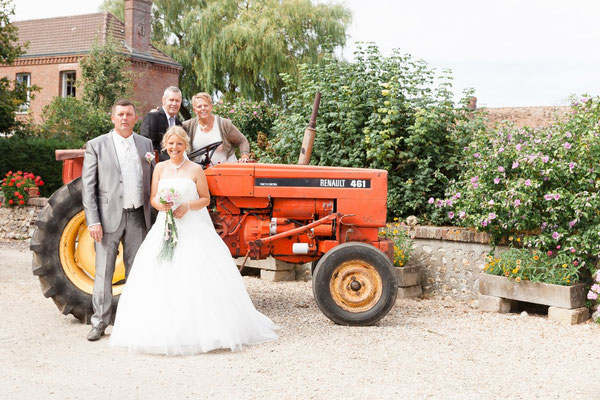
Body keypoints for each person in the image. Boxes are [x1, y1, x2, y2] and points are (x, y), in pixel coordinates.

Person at [109, 126, 277, 355]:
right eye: (171, 144)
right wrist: (164, 206)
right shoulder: (159, 168)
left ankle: (205, 331)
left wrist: (187, 205)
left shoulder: (196, 169)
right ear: (165, 146)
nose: (175, 148)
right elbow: (153, 199)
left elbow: (206, 199)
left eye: (179, 144)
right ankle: (162, 331)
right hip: (166, 227)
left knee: (196, 274)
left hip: (192, 226)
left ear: (185, 146)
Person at [81, 99, 155, 341]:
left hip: (138, 216)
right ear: (112, 117)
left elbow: (151, 179)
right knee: (104, 271)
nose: (125, 118)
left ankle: (132, 321)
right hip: (107, 218)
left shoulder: (146, 144)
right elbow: (88, 186)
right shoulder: (96, 145)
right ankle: (99, 322)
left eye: (129, 114)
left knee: (137, 270)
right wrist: (93, 221)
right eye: (120, 114)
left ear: (136, 118)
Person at [183, 92, 250, 165]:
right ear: (195, 110)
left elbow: (242, 141)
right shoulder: (188, 126)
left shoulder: (224, 124)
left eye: (206, 105)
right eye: (199, 106)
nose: (203, 108)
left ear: (211, 107)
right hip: (202, 172)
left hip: (226, 170)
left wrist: (244, 156)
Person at [140, 86, 183, 161]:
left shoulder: (179, 125)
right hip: (157, 168)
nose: (174, 103)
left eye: (177, 101)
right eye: (171, 100)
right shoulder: (152, 118)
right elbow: (145, 148)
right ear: (164, 100)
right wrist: (171, 160)